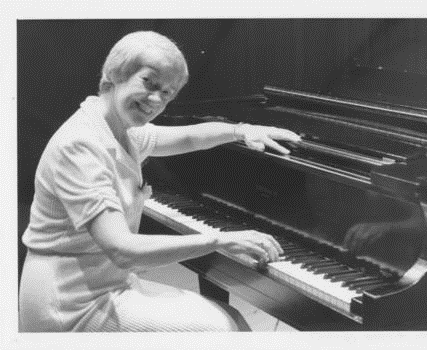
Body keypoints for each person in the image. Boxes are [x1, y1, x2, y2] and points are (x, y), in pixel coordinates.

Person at [19, 31, 301, 332]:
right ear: (116, 74)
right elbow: (122, 249)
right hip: (70, 301)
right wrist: (221, 240)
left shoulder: (121, 129)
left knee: (232, 319)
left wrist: (243, 130)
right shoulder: (81, 144)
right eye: (149, 83)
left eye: (167, 93)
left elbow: (191, 136)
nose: (155, 100)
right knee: (223, 329)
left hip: (107, 282)